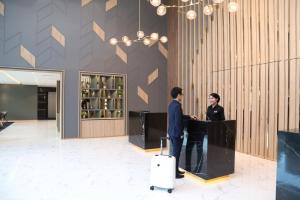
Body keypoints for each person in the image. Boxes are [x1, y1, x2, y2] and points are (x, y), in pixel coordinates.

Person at [168, 87, 197, 179]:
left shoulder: (171, 104)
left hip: (171, 132)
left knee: (175, 153)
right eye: (182, 94)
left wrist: (189, 116)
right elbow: (178, 121)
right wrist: (180, 133)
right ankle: (175, 173)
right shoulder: (177, 105)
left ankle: (175, 170)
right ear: (178, 95)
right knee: (176, 154)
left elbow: (178, 117)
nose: (182, 96)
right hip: (177, 134)